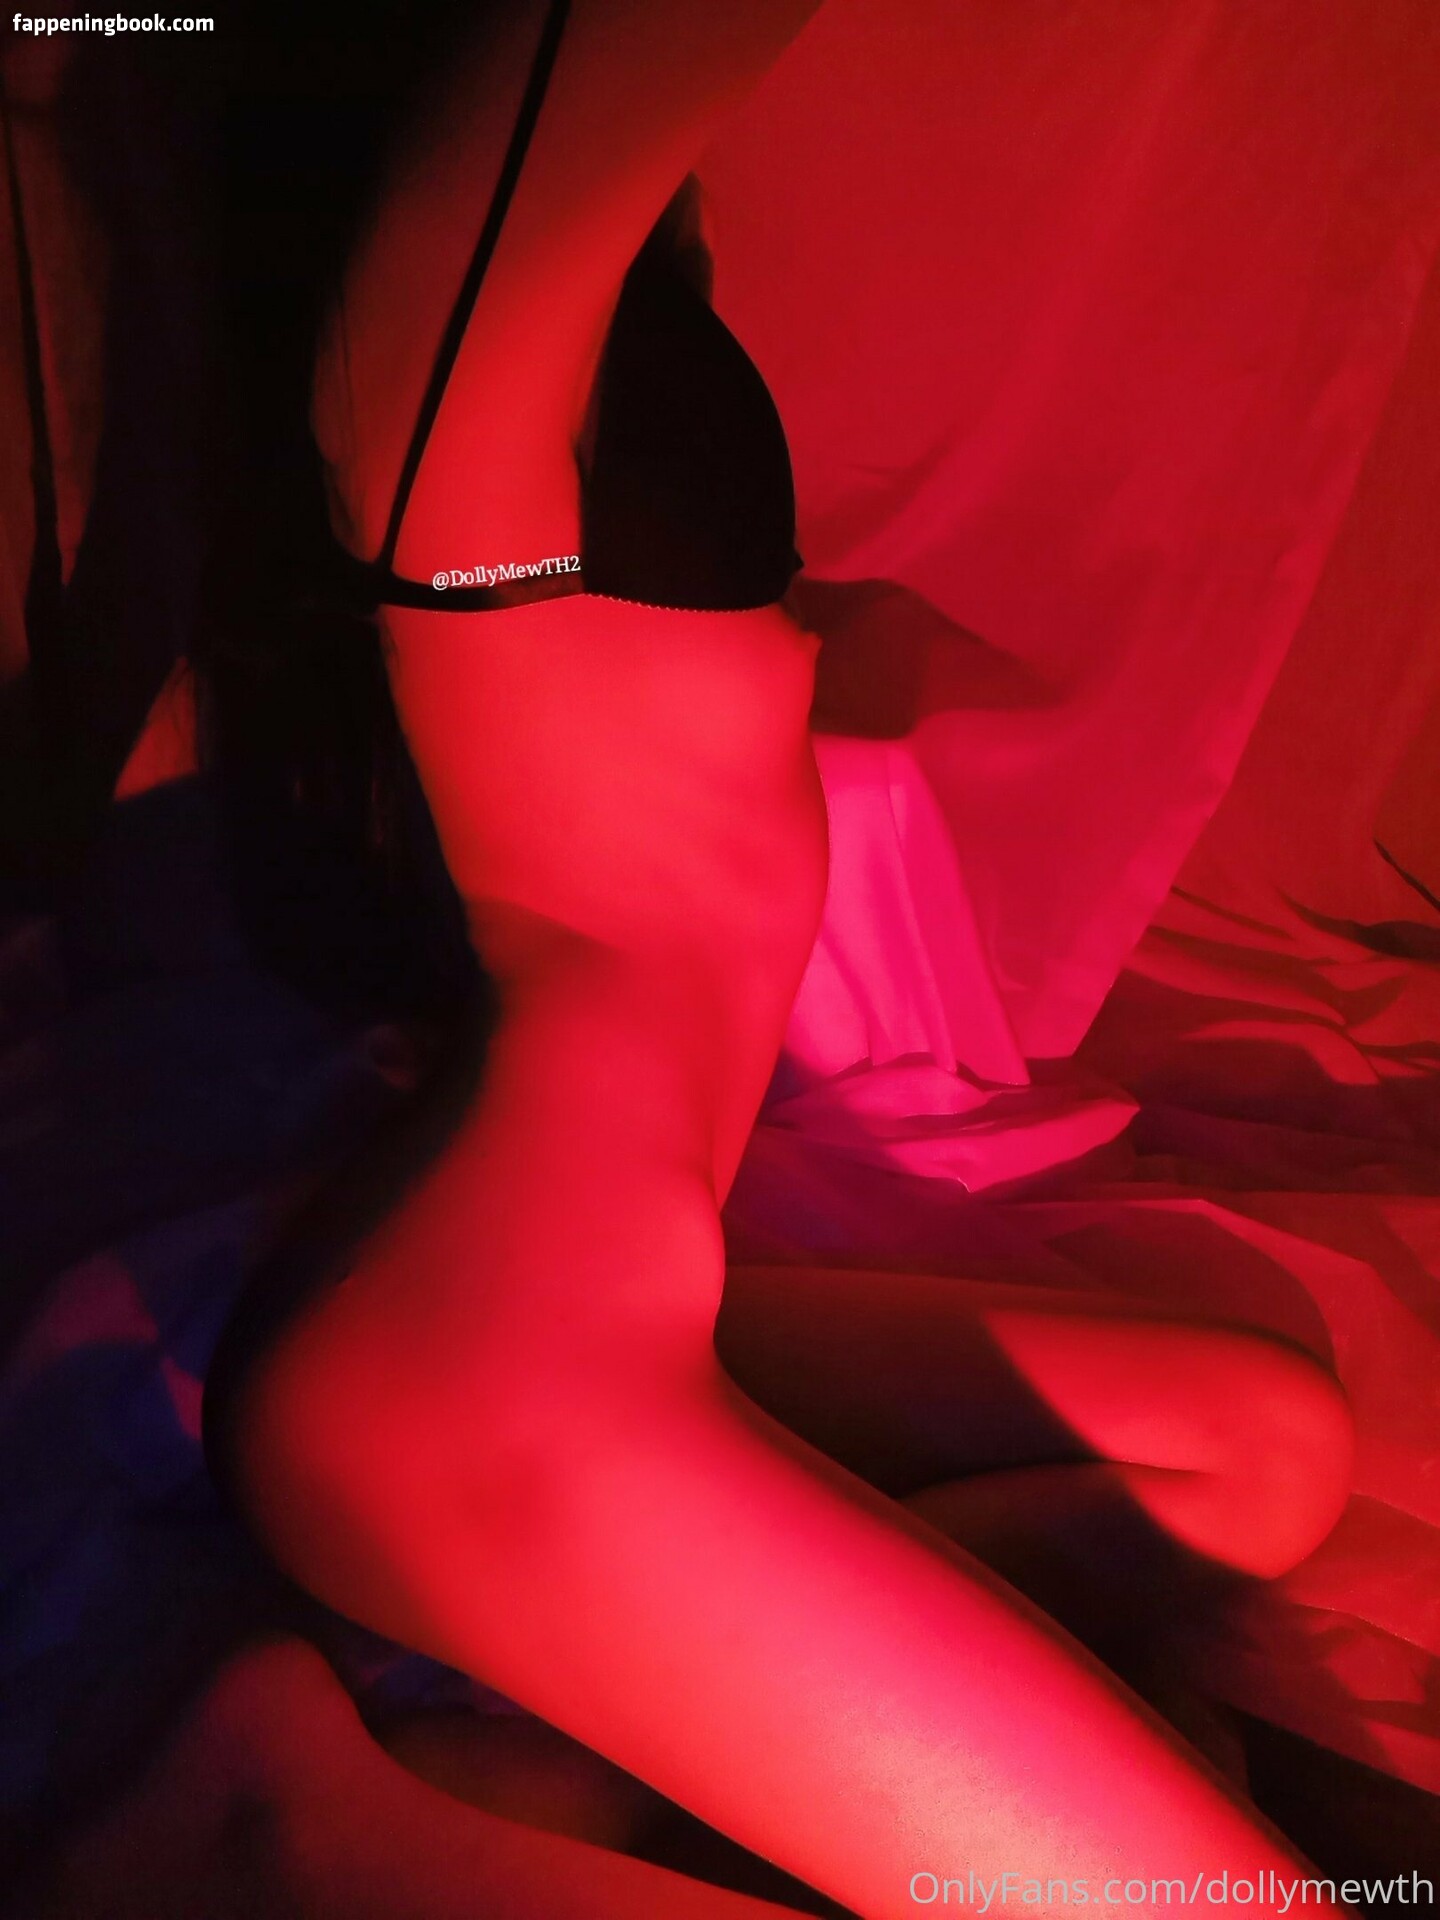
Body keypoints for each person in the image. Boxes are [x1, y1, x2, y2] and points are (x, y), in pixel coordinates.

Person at [197, 3, 1357, 1914]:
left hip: (637, 1273)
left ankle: (544, 1750)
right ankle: (348, 1786)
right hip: (489, 1370)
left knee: (1267, 1452)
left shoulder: (521, 317)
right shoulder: (430, 362)